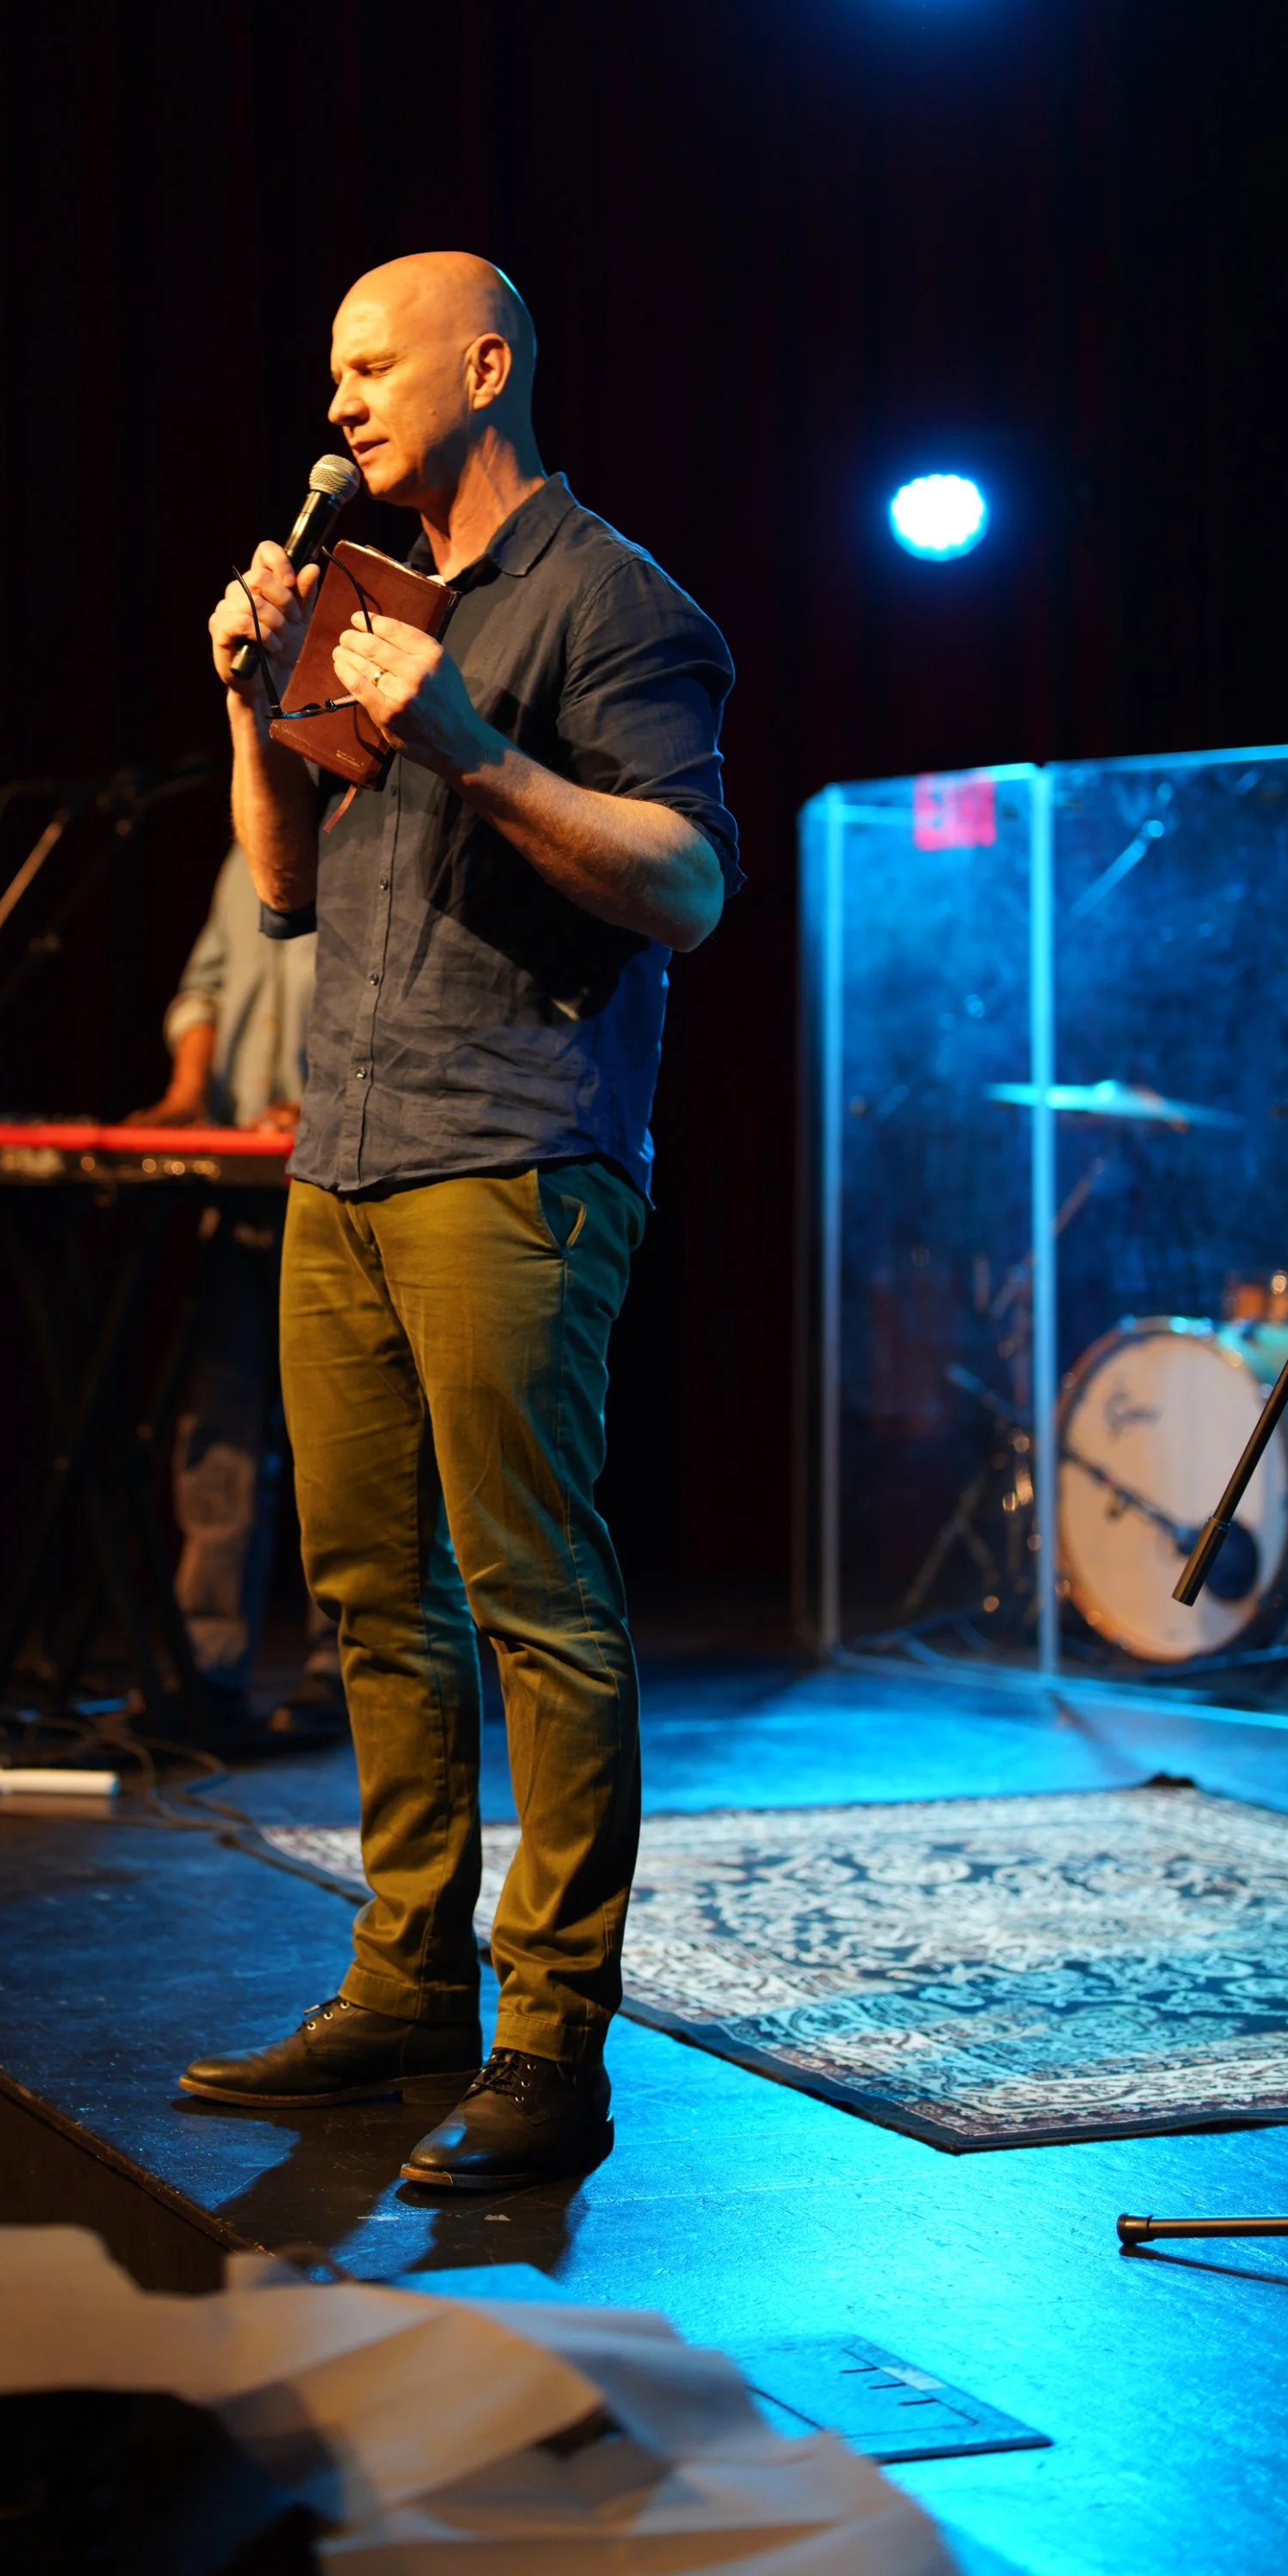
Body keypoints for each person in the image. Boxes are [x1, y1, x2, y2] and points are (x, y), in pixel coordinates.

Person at [178, 251, 742, 2193]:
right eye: (326, 369)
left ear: (481, 366)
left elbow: (683, 883)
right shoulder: (363, 598)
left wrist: (482, 749)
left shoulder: (613, 599)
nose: (335, 399)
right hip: (338, 1159)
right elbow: (279, 898)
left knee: (533, 1603)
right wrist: (259, 704)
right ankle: (404, 1982)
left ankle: (548, 2043)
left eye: (367, 364)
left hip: (511, 1156)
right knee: (366, 1600)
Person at [126, 843, 342, 1742]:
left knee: (341, 1441)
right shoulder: (247, 843)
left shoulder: (388, 823)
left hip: (339, 1182)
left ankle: (347, 1676)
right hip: (242, 1188)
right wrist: (187, 1091)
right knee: (218, 1430)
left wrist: (325, 1100)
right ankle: (206, 1668)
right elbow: (205, 986)